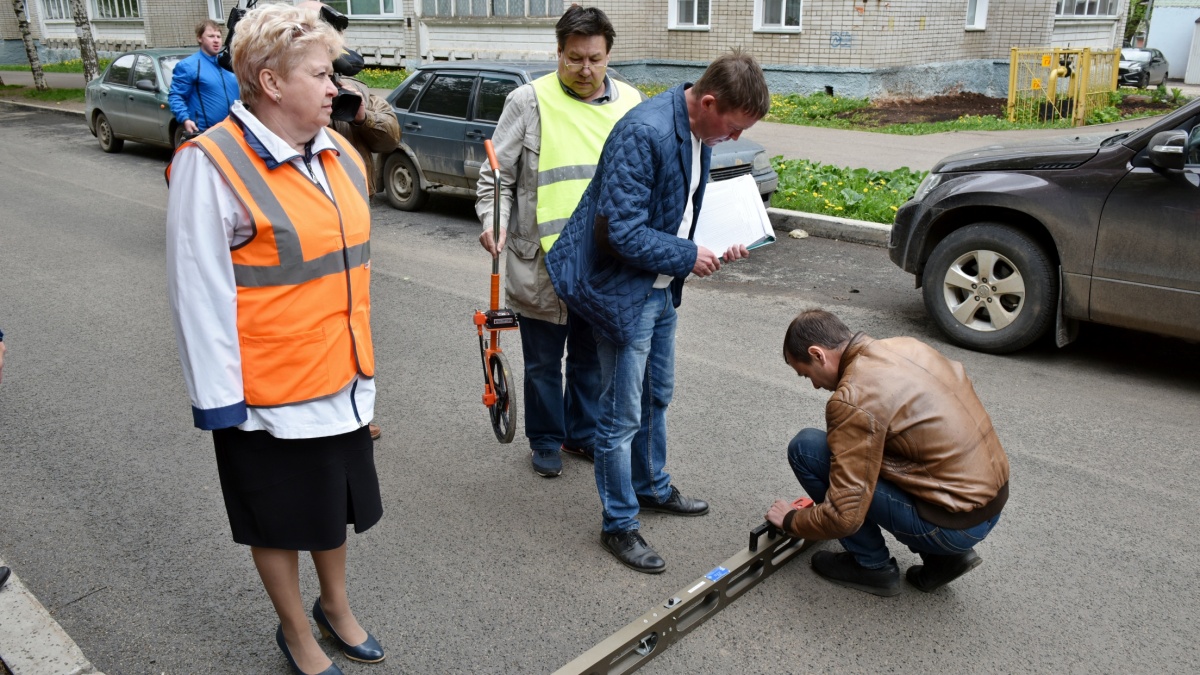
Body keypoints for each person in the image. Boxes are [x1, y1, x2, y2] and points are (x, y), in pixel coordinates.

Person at [165, 5, 384, 674]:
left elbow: (349, 280)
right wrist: (223, 405)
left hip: (340, 379)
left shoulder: (340, 152)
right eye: (320, 75)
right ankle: (296, 631)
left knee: (333, 509)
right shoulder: (212, 165)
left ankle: (336, 606)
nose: (335, 87)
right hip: (265, 394)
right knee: (281, 518)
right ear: (269, 81)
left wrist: (364, 387)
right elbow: (197, 294)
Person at [544, 50, 770, 573]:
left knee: (656, 395)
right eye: (732, 128)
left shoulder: (697, 131)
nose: (733, 139)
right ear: (708, 102)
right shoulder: (642, 132)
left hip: (661, 288)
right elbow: (619, 231)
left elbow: (680, 205)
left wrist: (715, 241)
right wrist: (690, 255)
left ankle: (650, 486)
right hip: (624, 292)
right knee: (619, 418)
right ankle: (619, 524)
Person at [476, 5, 641, 478]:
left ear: (609, 55)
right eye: (574, 59)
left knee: (590, 360)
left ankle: (580, 435)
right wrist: (494, 220)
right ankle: (545, 439)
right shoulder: (527, 102)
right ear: (558, 53)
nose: (585, 69)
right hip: (541, 261)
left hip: (600, 262)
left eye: (594, 59)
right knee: (543, 364)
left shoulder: (631, 103)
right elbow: (495, 177)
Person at [765, 309, 1010, 596]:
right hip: (989, 505)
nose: (816, 385)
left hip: (953, 526)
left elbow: (844, 516)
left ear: (818, 354)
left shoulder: (852, 399)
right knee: (875, 454)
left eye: (807, 375)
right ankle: (945, 560)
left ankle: (872, 566)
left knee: (806, 448)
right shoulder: (907, 346)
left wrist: (792, 521)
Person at [298, 0, 401, 442]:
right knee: (311, 313)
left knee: (352, 314)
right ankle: (316, 406)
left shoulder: (353, 87)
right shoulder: (288, 88)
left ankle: (356, 410)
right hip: (301, 214)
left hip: (352, 214)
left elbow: (390, 135)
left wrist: (361, 112)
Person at [168, 20, 240, 137]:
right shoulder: (188, 66)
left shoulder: (229, 64)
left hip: (233, 130)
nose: (216, 40)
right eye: (211, 36)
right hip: (205, 133)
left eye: (218, 36)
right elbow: (176, 96)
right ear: (199, 38)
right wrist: (185, 119)